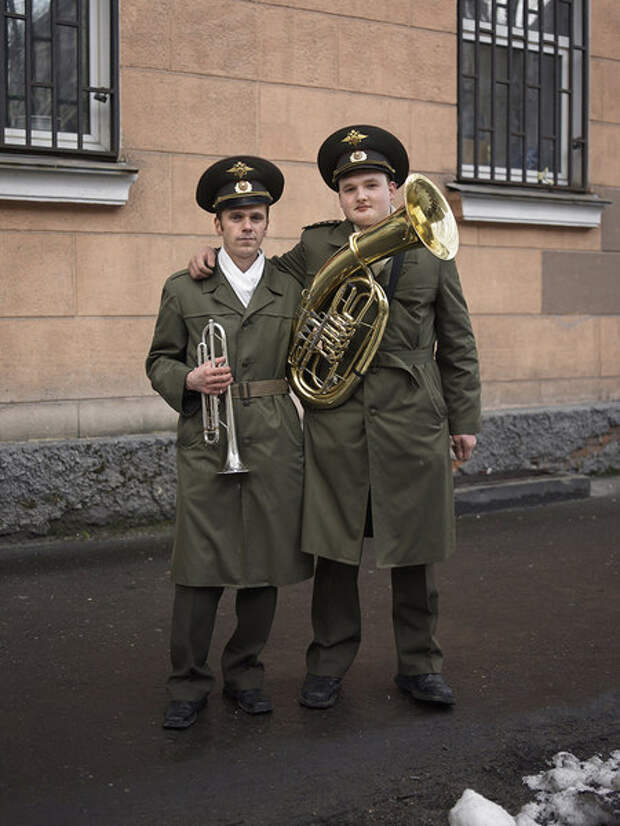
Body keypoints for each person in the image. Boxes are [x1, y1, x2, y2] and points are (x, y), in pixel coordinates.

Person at [188, 126, 481, 710]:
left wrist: (463, 418)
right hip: (338, 418)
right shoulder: (318, 246)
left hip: (411, 416)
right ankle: (327, 665)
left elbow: (458, 339)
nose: (362, 196)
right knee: (335, 554)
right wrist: (210, 257)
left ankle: (420, 666)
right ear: (339, 197)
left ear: (394, 189)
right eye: (349, 188)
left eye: (372, 184)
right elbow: (261, 276)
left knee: (416, 554)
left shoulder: (432, 249)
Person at [146, 156, 313, 730]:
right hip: (208, 433)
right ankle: (188, 682)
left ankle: (246, 674)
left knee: (265, 562)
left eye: (257, 216)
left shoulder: (292, 286)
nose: (247, 225)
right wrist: (187, 381)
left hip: (271, 432)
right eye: (236, 216)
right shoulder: (184, 286)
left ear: (268, 222)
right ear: (217, 225)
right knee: (198, 566)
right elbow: (159, 360)